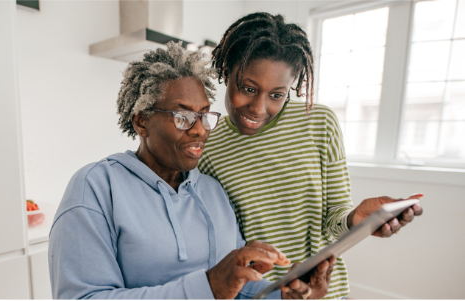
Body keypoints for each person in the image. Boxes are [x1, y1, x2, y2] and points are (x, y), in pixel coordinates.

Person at [48, 42, 336, 299]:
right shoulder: (95, 187)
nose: (200, 130)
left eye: (204, 115)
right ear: (141, 122)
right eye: (182, 116)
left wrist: (282, 295)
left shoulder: (212, 190)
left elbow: (239, 288)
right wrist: (209, 287)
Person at [198, 12, 424, 299]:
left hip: (326, 292)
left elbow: (334, 220)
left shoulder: (319, 123)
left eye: (276, 95)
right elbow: (221, 243)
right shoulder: (209, 148)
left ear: (290, 87)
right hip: (262, 295)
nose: (258, 107)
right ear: (226, 72)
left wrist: (357, 220)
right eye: (248, 88)